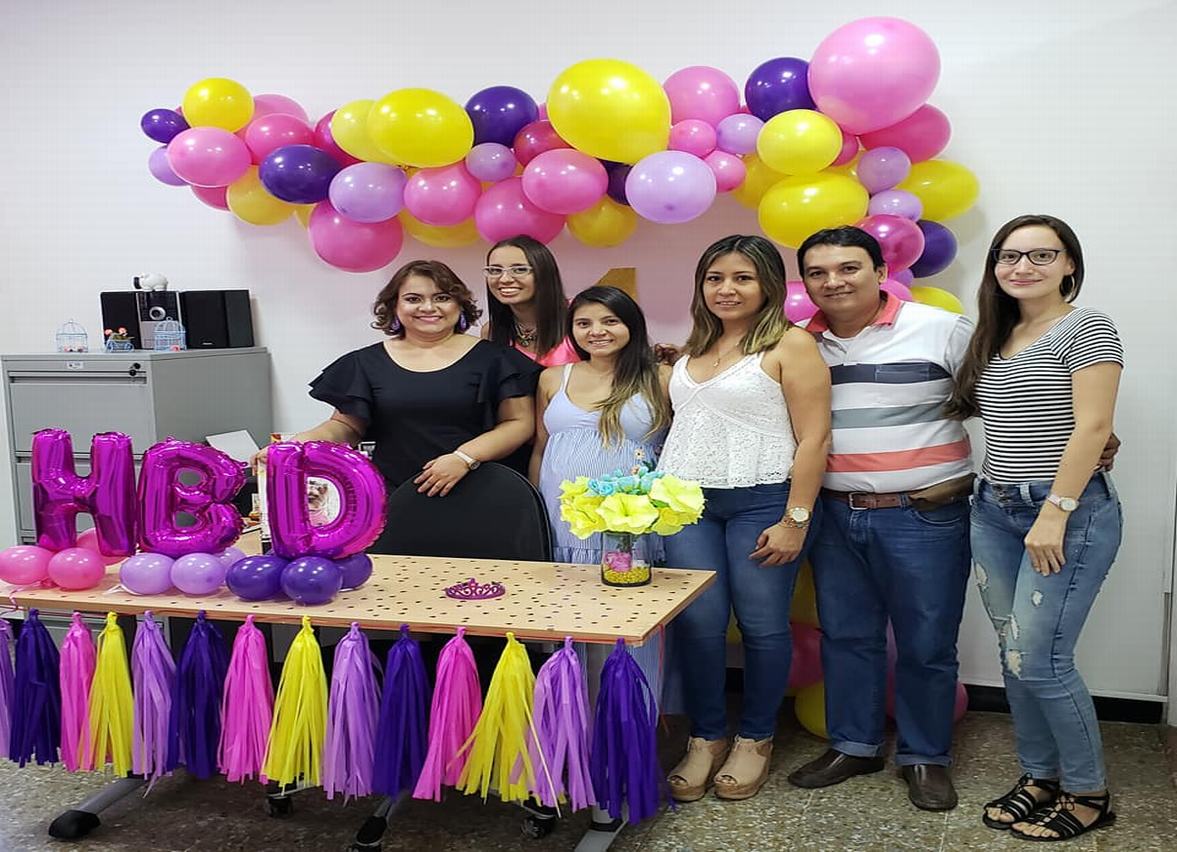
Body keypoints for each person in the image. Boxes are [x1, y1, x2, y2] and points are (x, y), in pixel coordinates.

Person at [785, 226, 976, 811]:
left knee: (926, 641)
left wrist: (1092, 434)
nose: (833, 282)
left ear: (878, 270)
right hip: (835, 516)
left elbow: (1006, 393)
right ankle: (856, 744)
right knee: (848, 637)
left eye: (848, 268)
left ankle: (924, 757)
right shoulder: (797, 344)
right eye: (817, 273)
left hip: (923, 516)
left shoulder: (940, 328)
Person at [946, 215, 1122, 841]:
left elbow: (1094, 427)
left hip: (1063, 516)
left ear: (1069, 264)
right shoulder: (997, 332)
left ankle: (1087, 790)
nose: (1022, 267)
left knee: (1042, 659)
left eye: (1041, 255)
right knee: (1016, 657)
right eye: (1008, 256)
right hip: (993, 512)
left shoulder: (1085, 326)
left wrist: (1055, 512)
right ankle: (1039, 776)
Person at [658, 234, 831, 803]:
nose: (726, 289)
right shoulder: (690, 352)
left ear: (768, 286)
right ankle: (706, 736)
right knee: (699, 624)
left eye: (741, 278)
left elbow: (814, 438)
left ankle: (756, 738)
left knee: (761, 624)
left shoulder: (790, 344)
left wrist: (796, 518)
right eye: (715, 278)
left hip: (763, 501)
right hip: (688, 505)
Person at [297, 259, 541, 552]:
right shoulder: (365, 363)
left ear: (460, 305)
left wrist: (463, 458)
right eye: (414, 299)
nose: (428, 308)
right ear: (394, 306)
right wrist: (296, 444)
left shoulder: (495, 359)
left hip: (483, 497)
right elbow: (345, 426)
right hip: (397, 498)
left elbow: (519, 424)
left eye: (441, 298)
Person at [530, 285, 672, 564]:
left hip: (633, 520)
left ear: (632, 325)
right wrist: (534, 510)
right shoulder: (552, 378)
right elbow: (540, 448)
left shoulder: (661, 377)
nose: (596, 331)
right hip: (563, 517)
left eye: (610, 321)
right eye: (584, 323)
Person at [481, 235, 579, 366]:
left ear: (543, 272)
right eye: (495, 270)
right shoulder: (491, 331)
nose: (505, 279)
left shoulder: (579, 315)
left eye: (520, 270)